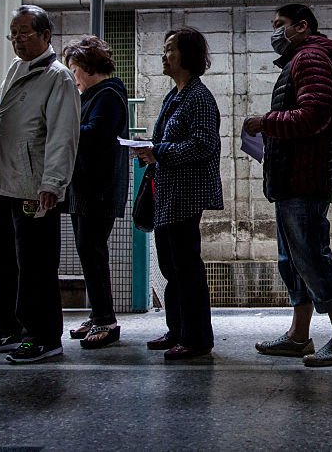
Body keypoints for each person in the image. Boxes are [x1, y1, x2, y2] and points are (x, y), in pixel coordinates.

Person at [244, 4, 332, 367]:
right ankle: (299, 335)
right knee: (292, 260)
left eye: (280, 25)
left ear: (303, 26)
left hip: (305, 179)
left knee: (312, 258)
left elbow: (315, 113)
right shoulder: (300, 60)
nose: (275, 33)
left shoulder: (310, 59)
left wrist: (266, 122)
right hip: (291, 179)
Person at [0, 5, 80, 364]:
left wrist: (52, 182)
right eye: (13, 33)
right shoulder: (15, 68)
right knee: (2, 262)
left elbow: (63, 136)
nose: (17, 40)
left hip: (34, 189)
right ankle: (9, 328)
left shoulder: (59, 77)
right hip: (4, 184)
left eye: (25, 33)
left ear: (46, 36)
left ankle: (43, 335)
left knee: (35, 264)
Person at [135, 28, 222, 361]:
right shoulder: (175, 95)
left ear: (187, 55)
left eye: (170, 49)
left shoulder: (198, 97)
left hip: (186, 194)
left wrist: (160, 151)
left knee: (186, 267)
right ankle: (178, 329)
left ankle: (197, 338)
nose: (164, 55)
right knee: (172, 266)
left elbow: (204, 144)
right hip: (167, 193)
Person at [61, 36, 129, 349]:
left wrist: (62, 128)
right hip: (85, 186)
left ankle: (106, 320)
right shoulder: (92, 95)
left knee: (93, 251)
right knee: (89, 252)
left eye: (73, 68)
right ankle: (98, 313)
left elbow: (95, 134)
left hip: (97, 189)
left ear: (87, 67)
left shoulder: (109, 94)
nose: (72, 75)